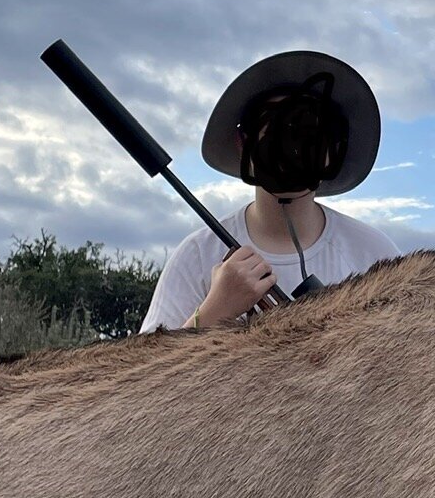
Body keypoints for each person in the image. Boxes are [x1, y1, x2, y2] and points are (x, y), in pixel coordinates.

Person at [140, 51, 401, 332]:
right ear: (243, 143)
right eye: (275, 126)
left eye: (308, 129)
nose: (292, 145)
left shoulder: (376, 256)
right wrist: (215, 310)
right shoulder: (197, 256)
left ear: (334, 149)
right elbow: (149, 372)